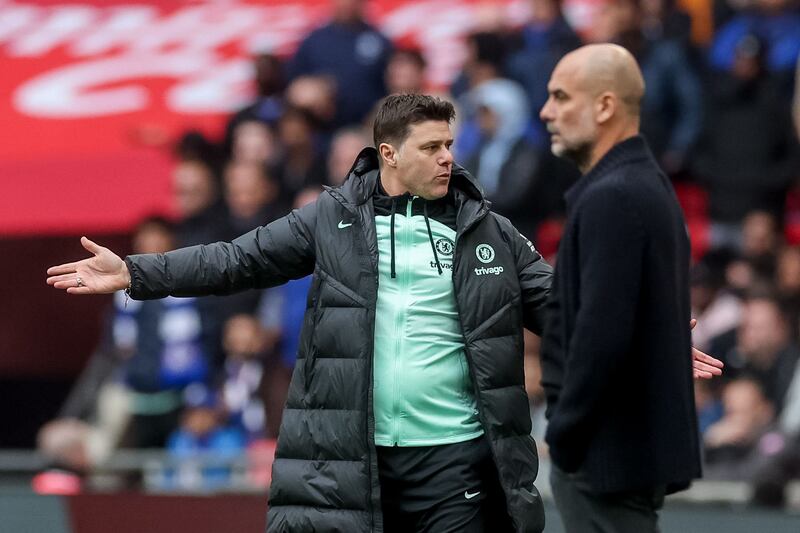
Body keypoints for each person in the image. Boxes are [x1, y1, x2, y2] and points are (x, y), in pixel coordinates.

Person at [48, 94, 720, 533]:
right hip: (354, 465)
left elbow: (563, 306)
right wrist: (136, 271)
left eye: (450, 144)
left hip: (458, 466)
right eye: (432, 147)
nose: (448, 157)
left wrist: (651, 341)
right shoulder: (333, 219)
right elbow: (233, 260)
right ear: (390, 153)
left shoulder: (487, 229)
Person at [538, 44, 707, 532]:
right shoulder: (639, 184)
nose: (547, 112)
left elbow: (602, 333)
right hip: (618, 455)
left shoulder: (614, 194)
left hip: (606, 459)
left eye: (561, 97)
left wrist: (565, 433)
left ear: (605, 106)